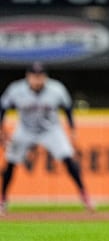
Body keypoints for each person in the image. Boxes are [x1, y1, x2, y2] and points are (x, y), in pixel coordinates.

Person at [0, 62, 94, 215]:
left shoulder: (56, 89)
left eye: (40, 75)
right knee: (10, 161)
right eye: (34, 76)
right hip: (25, 129)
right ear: (28, 76)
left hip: (51, 129)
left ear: (45, 76)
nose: (37, 79)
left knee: (68, 158)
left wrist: (72, 130)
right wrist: (1, 129)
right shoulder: (16, 89)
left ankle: (85, 196)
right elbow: (2, 108)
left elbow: (68, 108)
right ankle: (2, 199)